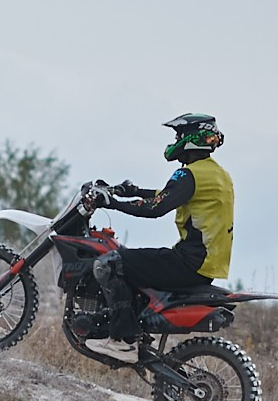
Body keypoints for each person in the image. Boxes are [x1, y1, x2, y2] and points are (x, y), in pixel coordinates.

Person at [79, 112, 234, 345]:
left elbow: (155, 208)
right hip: (206, 265)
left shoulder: (189, 173)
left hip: (188, 262)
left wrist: (110, 202)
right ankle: (127, 324)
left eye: (178, 135)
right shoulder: (218, 174)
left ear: (191, 138)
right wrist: (133, 191)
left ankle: (123, 341)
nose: (174, 142)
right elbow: (170, 196)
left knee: (109, 263)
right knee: (132, 265)